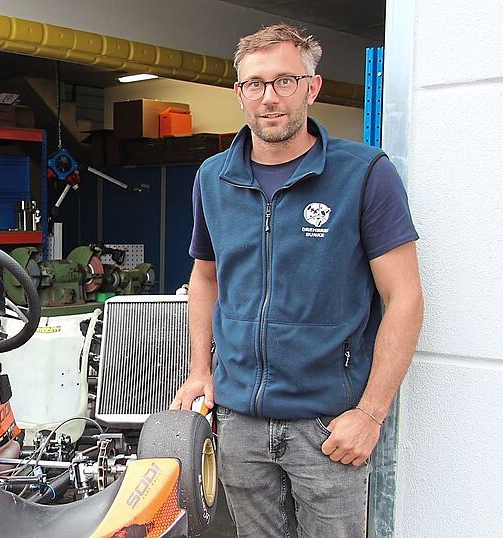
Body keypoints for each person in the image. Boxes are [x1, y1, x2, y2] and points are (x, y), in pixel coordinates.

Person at [170, 25, 424, 536]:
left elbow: (405, 298)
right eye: (255, 84)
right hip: (240, 423)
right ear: (239, 93)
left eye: (286, 80)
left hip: (329, 426)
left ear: (313, 87)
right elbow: (205, 278)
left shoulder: (365, 174)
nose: (270, 98)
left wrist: (370, 415)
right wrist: (201, 370)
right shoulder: (213, 178)